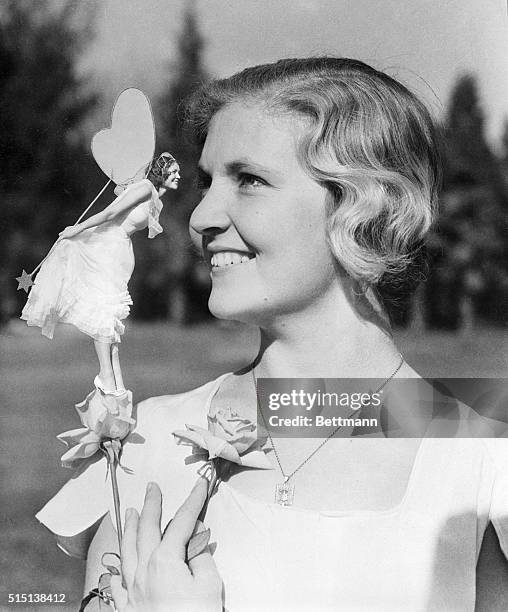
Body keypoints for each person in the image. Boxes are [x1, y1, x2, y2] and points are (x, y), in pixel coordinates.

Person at [36, 58, 508, 611]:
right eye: (208, 181)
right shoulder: (145, 441)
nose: (202, 216)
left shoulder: (481, 459)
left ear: (366, 206)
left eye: (250, 180)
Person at [21, 153, 180, 393]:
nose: (179, 176)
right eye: (174, 172)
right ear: (161, 172)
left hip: (120, 251)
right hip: (106, 247)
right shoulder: (145, 188)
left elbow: (131, 203)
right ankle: (105, 375)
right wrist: (78, 228)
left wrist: (135, 187)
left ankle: (116, 382)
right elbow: (109, 214)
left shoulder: (154, 195)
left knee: (112, 321)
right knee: (104, 312)